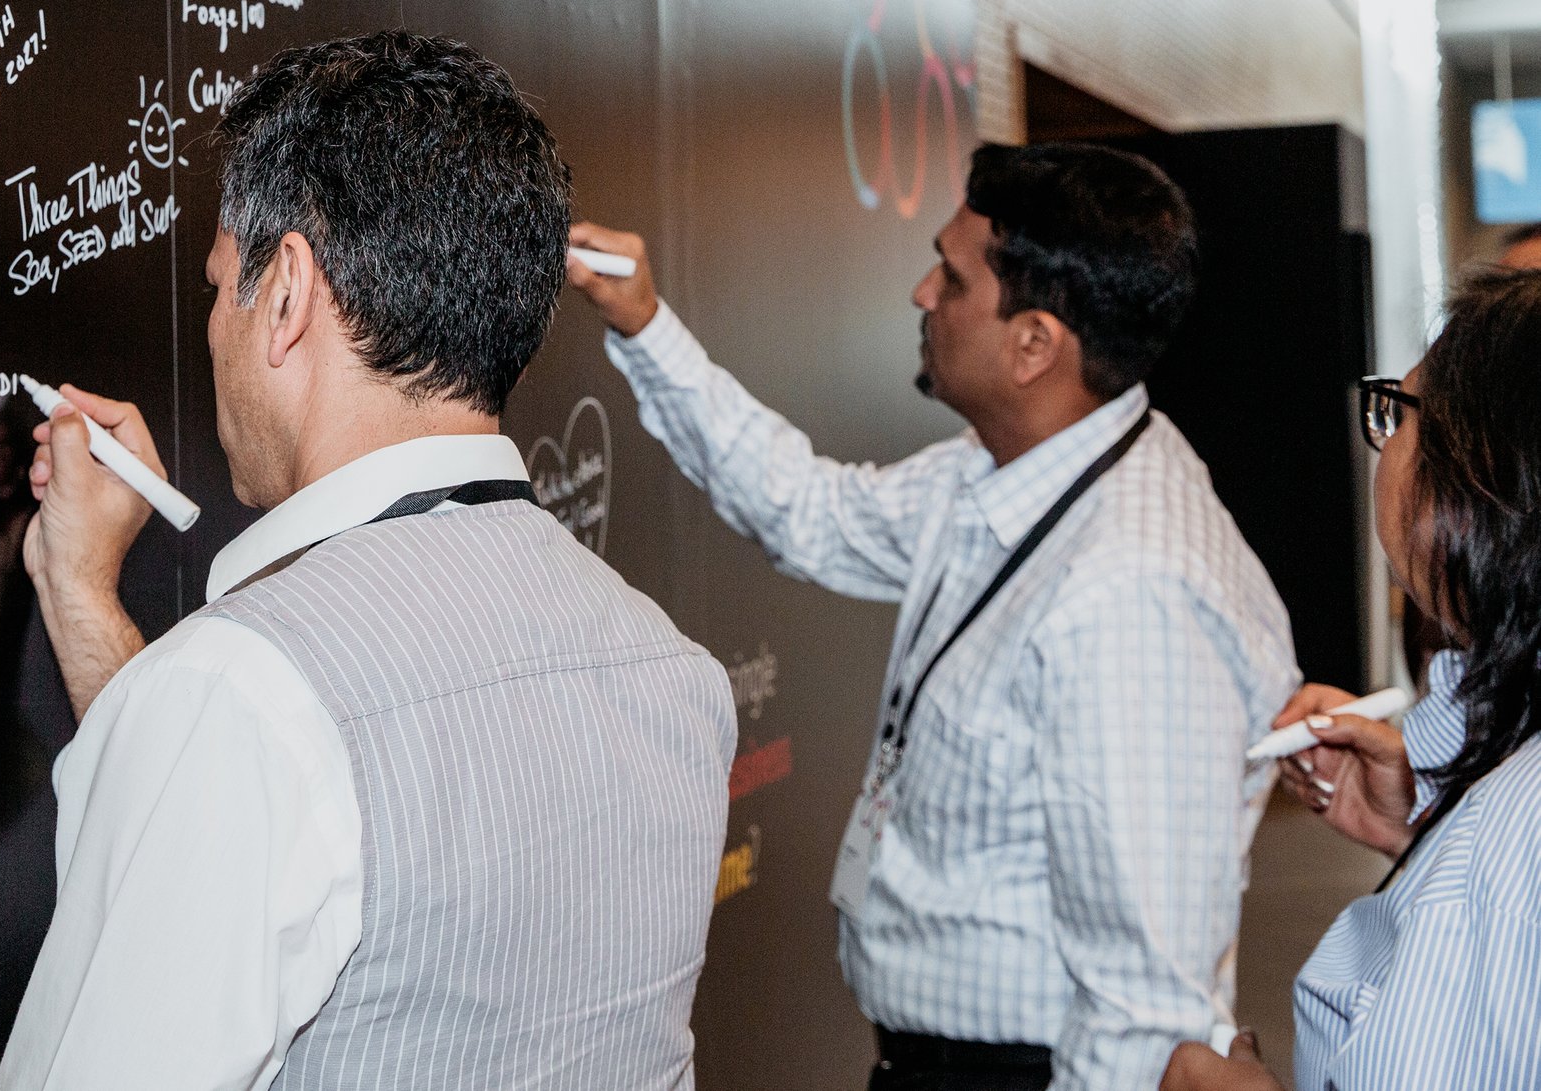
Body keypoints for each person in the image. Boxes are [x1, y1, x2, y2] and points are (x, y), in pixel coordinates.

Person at [0, 32, 737, 1091]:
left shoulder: (243, 697)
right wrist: (82, 595)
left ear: (287, 291)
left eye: (218, 286)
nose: (213, 325)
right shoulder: (672, 673)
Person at [569, 144, 1300, 1091]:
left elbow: (1142, 1012)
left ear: (1035, 343)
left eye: (952, 277)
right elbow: (811, 511)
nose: (922, 293)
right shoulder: (1001, 470)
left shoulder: (1134, 596)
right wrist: (647, 326)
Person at [1159, 268, 1541, 1089]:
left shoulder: (1510, 844)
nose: (1385, 439)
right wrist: (1425, 825)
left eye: (1397, 411)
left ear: (1476, 475)